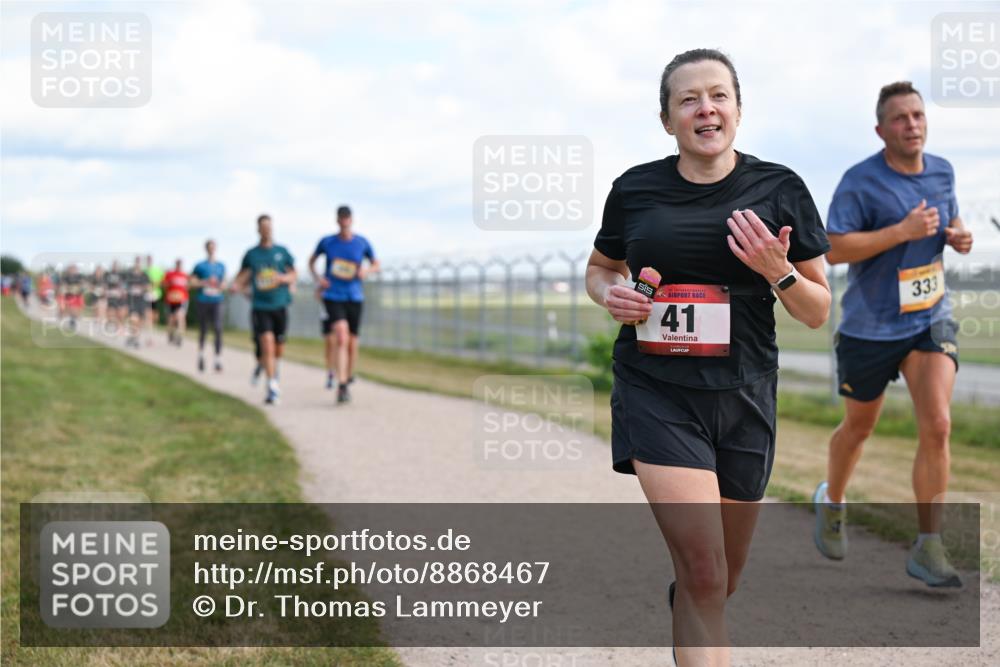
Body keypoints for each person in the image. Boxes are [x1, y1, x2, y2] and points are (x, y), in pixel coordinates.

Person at [586, 49, 831, 665]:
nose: (705, 108)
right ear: (667, 119)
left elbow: (817, 310)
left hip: (745, 394)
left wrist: (780, 273)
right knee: (702, 568)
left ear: (739, 109)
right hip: (656, 389)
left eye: (718, 95)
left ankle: (692, 614)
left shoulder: (780, 189)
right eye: (688, 99)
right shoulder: (635, 188)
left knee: (722, 579)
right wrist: (609, 296)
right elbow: (599, 269)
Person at [814, 82, 973, 588]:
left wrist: (959, 234)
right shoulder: (860, 181)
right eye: (901, 118)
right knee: (859, 429)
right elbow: (833, 249)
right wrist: (899, 232)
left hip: (929, 316)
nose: (913, 125)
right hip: (870, 327)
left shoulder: (943, 170)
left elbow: (950, 217)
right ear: (881, 130)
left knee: (939, 424)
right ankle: (833, 500)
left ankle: (929, 546)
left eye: (918, 115)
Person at [308, 205, 379, 403]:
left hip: (355, 297)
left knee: (352, 342)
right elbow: (311, 261)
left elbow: (376, 263)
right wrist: (318, 278)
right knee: (341, 335)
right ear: (337, 220)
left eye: (347, 217)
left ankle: (346, 378)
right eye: (341, 218)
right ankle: (340, 384)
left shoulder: (361, 243)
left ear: (352, 220)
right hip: (333, 295)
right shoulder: (327, 242)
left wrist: (367, 271)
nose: (345, 221)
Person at [231, 214, 297, 405]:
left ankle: (265, 366)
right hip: (260, 306)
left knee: (278, 349)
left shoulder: (282, 252)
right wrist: (238, 286)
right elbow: (241, 276)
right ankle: (272, 386)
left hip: (280, 304)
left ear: (272, 228)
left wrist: (282, 279)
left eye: (269, 226)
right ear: (258, 229)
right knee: (266, 343)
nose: (266, 230)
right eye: (263, 227)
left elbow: (293, 274)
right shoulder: (252, 254)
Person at [190, 240, 227, 372]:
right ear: (206, 249)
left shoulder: (221, 266)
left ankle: (218, 359)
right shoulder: (199, 266)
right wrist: (204, 282)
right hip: (203, 299)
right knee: (203, 329)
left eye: (213, 247)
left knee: (218, 328)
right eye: (209, 247)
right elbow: (192, 283)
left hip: (217, 300)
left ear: (215, 248)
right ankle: (201, 355)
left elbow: (224, 283)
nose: (211, 249)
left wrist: (221, 285)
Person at [125, 256, 152, 348]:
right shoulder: (130, 275)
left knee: (139, 321)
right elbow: (125, 287)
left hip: (141, 301)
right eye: (137, 262)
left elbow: (149, 287)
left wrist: (144, 288)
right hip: (132, 301)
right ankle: (133, 337)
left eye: (139, 262)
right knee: (134, 319)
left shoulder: (145, 275)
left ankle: (134, 338)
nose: (138, 264)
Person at [162, 259, 190, 346]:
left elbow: (188, 286)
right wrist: (169, 284)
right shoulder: (169, 274)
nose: (179, 266)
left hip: (182, 299)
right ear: (175, 265)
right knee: (171, 319)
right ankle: (171, 334)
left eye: (180, 264)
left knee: (180, 316)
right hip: (171, 300)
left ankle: (179, 336)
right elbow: (163, 284)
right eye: (178, 264)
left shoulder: (185, 275)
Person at [144, 255, 164, 345]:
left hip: (155, 296)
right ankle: (149, 338)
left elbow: (162, 281)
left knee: (154, 317)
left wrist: (155, 284)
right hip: (146, 295)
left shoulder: (157, 270)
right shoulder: (143, 271)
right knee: (149, 317)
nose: (148, 261)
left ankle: (151, 330)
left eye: (150, 259)